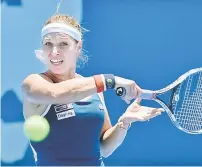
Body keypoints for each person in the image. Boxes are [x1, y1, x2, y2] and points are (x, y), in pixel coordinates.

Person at [21, 14, 164, 166]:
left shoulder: (93, 89)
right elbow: (55, 93)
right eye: (48, 44)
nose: (54, 51)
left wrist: (124, 123)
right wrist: (110, 80)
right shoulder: (33, 83)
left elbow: (104, 148)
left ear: (78, 47)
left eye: (63, 44)